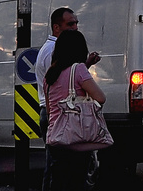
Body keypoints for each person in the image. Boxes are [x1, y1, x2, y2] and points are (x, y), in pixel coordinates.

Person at [44, 30, 106, 191]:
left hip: (56, 136)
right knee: (76, 181)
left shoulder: (50, 75)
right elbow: (100, 97)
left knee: (59, 180)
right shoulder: (79, 69)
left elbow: (50, 110)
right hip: (75, 137)